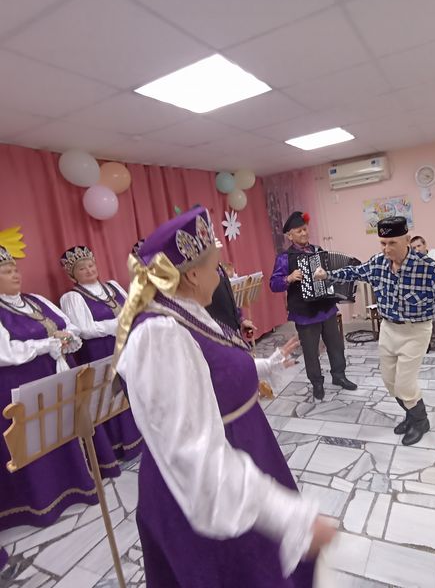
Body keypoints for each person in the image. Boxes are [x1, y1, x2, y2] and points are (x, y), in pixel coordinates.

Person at [114, 207, 334, 587]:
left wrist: (265, 366)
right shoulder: (160, 334)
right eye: (215, 266)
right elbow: (193, 454)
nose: (220, 275)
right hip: (210, 490)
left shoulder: (185, 311)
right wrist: (289, 516)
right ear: (192, 274)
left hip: (241, 450)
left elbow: (211, 372)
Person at [314, 217, 435, 446]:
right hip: (389, 328)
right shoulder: (378, 263)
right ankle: (411, 416)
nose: (386, 249)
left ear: (407, 240)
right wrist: (327, 275)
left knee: (405, 384)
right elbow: (355, 272)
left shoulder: (426, 266)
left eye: (392, 243)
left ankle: (421, 421)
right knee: (390, 382)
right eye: (383, 243)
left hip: (416, 331)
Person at [0, 246, 98, 536]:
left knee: (61, 430)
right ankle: (43, 502)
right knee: (33, 439)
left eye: (15, 269)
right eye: (6, 271)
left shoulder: (36, 300)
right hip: (20, 383)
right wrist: (47, 344)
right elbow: (5, 352)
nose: (15, 275)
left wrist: (66, 339)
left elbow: (70, 326)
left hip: (54, 374)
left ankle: (77, 484)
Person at [59, 246, 142, 471]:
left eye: (91, 265)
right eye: (82, 268)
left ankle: (143, 437)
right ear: (72, 275)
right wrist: (118, 324)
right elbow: (84, 329)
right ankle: (123, 448)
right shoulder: (72, 297)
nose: (89, 270)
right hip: (100, 352)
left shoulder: (112, 286)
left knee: (135, 390)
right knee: (112, 397)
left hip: (128, 345)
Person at [270, 211, 357, 400]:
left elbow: (329, 274)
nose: (304, 233)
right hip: (304, 313)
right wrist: (288, 278)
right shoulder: (284, 258)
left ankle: (339, 376)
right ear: (290, 236)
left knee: (336, 345)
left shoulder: (318, 251)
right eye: (299, 231)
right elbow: (273, 284)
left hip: (327, 308)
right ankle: (317, 383)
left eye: (305, 229)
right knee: (311, 352)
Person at [410, 235, 435, 351]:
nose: (417, 249)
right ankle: (424, 343)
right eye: (414, 248)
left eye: (419, 246)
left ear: (425, 245)